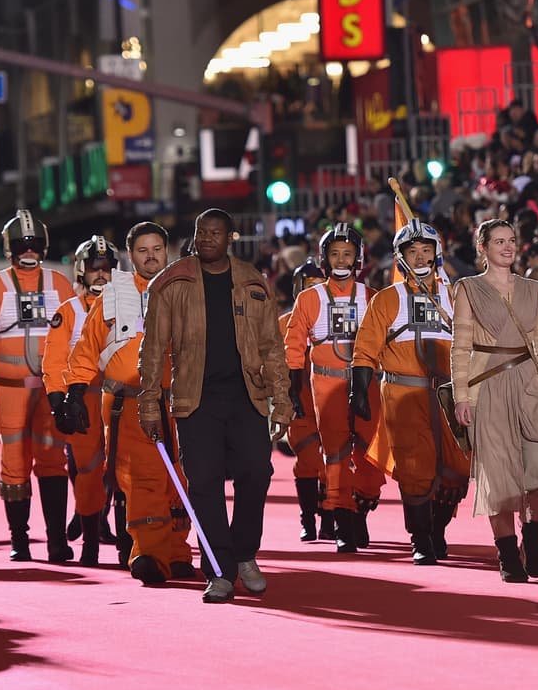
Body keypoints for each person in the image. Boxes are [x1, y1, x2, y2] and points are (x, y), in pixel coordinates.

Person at [139, 209, 292, 603]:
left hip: (247, 395)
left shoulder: (253, 281)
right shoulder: (171, 283)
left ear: (231, 238)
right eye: (200, 232)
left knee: (256, 473)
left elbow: (273, 347)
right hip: (195, 400)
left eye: (215, 233)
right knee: (203, 484)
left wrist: (283, 400)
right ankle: (219, 571)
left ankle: (244, 555)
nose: (206, 238)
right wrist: (150, 405)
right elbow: (152, 351)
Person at [65, 222, 192, 581]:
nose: (151, 257)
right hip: (128, 403)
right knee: (142, 480)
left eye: (157, 249)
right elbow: (87, 349)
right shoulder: (112, 295)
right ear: (130, 255)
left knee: (183, 479)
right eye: (142, 250)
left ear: (166, 251)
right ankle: (150, 555)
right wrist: (75, 392)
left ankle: (178, 551)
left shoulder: (185, 289)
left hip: (180, 402)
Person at [451, 220, 538, 582]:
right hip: (486, 386)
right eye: (499, 241)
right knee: (500, 479)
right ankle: (507, 553)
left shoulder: (533, 290)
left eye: (512, 240)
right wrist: (461, 397)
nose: (507, 247)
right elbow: (460, 347)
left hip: (528, 383)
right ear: (482, 248)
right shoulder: (468, 290)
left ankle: (532, 537)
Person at [350, 220, 470, 566]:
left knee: (458, 468)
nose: (420, 257)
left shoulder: (453, 296)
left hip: (450, 397)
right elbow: (366, 349)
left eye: (426, 250)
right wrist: (359, 390)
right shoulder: (389, 299)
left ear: (437, 254)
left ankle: (438, 530)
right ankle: (420, 539)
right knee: (415, 468)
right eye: (412, 251)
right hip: (404, 396)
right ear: (401, 257)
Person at [0, 210, 77, 562]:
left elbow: (77, 332)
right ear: (10, 249)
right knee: (13, 460)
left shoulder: (59, 283)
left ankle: (57, 540)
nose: (28, 251)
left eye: (33, 244)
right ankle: (20, 539)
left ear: (43, 247)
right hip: (8, 389)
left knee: (52, 459)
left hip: (51, 390)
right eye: (21, 245)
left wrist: (75, 385)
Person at [283, 223, 386, 553]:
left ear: (358, 259)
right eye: (334, 254)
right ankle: (343, 522)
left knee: (370, 457)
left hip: (365, 381)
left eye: (348, 254)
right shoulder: (309, 298)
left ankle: (362, 510)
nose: (341, 260)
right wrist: (292, 389)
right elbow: (294, 346)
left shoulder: (372, 297)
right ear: (324, 259)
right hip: (326, 382)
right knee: (336, 456)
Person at [42, 235, 115, 567]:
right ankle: (90, 544)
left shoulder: (129, 305)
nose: (101, 275)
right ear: (81, 271)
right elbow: (54, 362)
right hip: (82, 398)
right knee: (86, 470)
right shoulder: (68, 311)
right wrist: (59, 403)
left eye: (107, 268)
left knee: (121, 468)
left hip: (119, 396)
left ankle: (127, 540)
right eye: (94, 269)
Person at [279, 259, 333, 543]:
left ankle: (329, 517)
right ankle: (308, 518)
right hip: (298, 401)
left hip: (329, 397)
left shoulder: (335, 318)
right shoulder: (283, 324)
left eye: (317, 284)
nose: (312, 290)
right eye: (306, 285)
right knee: (309, 460)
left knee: (332, 462)